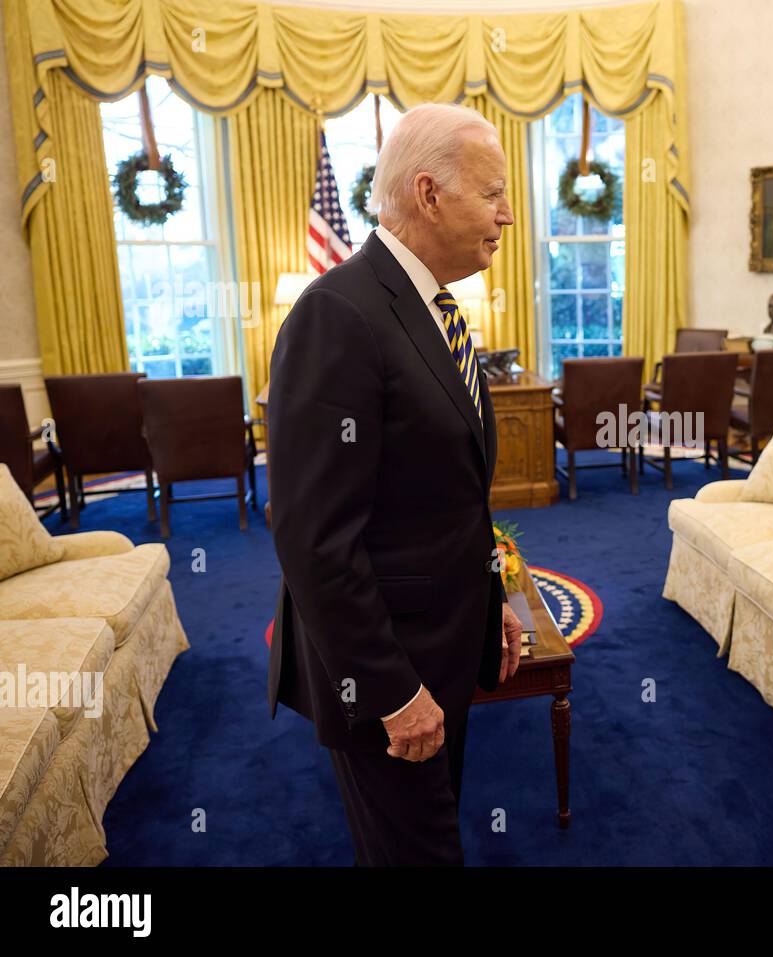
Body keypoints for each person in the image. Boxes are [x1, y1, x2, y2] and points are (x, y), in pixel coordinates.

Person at [267, 103, 523, 866]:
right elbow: (314, 538)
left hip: (444, 642)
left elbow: (447, 492)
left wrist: (493, 596)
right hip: (385, 673)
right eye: (493, 194)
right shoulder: (336, 313)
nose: (507, 215)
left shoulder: (436, 306)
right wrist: (389, 690)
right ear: (429, 193)